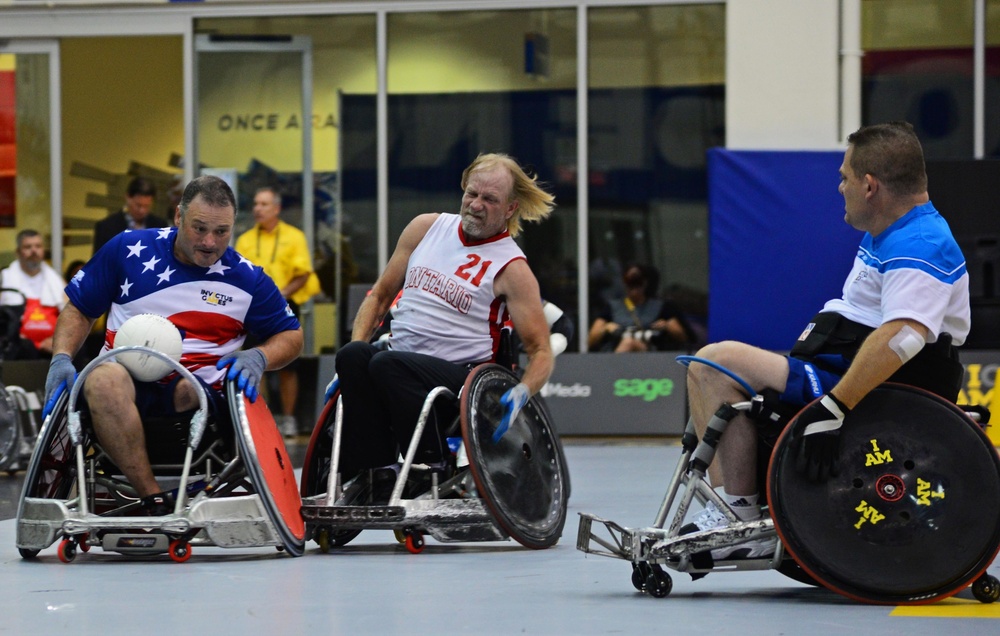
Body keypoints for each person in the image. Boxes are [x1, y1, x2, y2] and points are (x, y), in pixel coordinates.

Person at [684, 121, 970, 560]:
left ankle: (740, 521)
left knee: (714, 364)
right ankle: (739, 508)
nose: (840, 187)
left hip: (873, 392)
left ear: (870, 185)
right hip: (838, 367)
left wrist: (834, 406)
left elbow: (903, 339)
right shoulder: (892, 232)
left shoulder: (921, 244)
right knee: (707, 372)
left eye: (845, 177)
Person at [44, 175, 303, 514]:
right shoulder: (127, 250)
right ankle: (153, 499)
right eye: (199, 229)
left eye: (222, 232)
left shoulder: (247, 277)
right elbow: (80, 309)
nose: (210, 242)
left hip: (195, 393)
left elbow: (292, 336)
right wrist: (61, 357)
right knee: (102, 380)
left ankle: (156, 499)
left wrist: (259, 355)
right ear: (179, 217)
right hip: (122, 381)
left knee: (188, 390)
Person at [334, 152, 555, 497]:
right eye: (471, 193)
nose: (476, 205)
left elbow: (541, 349)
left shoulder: (512, 268)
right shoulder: (425, 227)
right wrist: (355, 351)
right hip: (395, 359)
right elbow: (377, 298)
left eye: (489, 199)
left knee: (387, 363)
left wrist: (524, 390)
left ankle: (431, 464)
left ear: (510, 208)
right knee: (352, 356)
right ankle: (377, 470)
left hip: (460, 375)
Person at [234, 186, 320, 438]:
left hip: (283, 304)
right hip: (251, 308)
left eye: (264, 204)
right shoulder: (245, 238)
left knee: (287, 366)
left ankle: (289, 419)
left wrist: (280, 295)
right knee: (253, 359)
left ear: (277, 208)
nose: (257, 209)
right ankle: (259, 415)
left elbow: (303, 273)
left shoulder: (294, 236)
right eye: (256, 204)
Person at [587, 263, 693, 352]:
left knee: (629, 342)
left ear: (645, 283)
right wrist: (606, 328)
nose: (634, 288)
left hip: (651, 355)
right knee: (628, 342)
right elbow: (591, 340)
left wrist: (666, 326)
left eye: (637, 282)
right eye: (630, 283)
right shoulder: (612, 307)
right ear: (624, 283)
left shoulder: (661, 307)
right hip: (618, 353)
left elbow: (682, 337)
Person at [0, 230, 67, 360]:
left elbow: (70, 314)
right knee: (25, 347)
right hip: (18, 343)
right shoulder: (4, 278)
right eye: (28, 247)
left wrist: (57, 340)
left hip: (52, 343)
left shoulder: (57, 281)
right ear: (18, 252)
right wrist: (12, 335)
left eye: (38, 246)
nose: (34, 251)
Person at [92, 176, 170, 254]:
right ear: (128, 197)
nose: (142, 210)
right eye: (138, 205)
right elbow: (98, 263)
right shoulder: (106, 228)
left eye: (147, 206)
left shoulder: (161, 227)